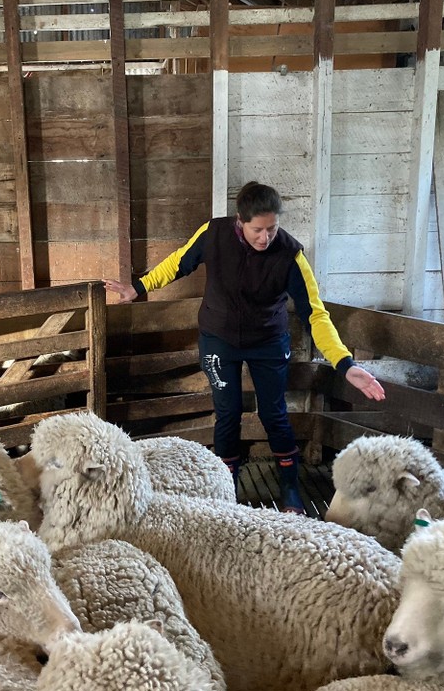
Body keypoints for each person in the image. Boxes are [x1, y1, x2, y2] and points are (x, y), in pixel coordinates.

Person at [103, 181, 385, 513]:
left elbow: (315, 313)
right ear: (240, 220)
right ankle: (227, 487)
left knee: (274, 413)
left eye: (272, 228)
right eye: (258, 230)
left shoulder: (290, 256)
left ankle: (291, 486)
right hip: (219, 340)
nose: (266, 237)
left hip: (267, 341)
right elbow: (178, 262)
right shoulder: (214, 233)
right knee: (228, 414)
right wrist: (138, 287)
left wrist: (345, 364)